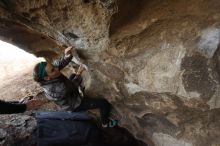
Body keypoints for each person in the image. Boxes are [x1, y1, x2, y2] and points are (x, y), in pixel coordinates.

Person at [33, 46, 118, 127]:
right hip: (74, 104)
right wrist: (79, 73)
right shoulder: (55, 89)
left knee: (72, 76)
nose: (56, 68)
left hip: (68, 94)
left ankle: (79, 91)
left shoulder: (49, 76)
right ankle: (105, 122)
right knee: (104, 103)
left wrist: (66, 56)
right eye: (52, 70)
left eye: (53, 66)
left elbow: (58, 65)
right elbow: (72, 86)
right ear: (47, 78)